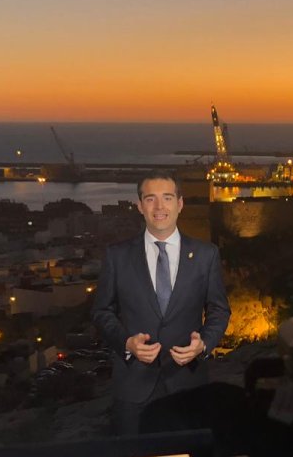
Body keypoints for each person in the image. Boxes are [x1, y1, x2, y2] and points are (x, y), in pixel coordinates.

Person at [92, 172, 231, 435]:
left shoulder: (206, 254)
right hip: (133, 388)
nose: (159, 207)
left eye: (167, 198)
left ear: (180, 204)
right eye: (150, 199)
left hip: (188, 384)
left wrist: (203, 343)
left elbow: (219, 309)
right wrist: (126, 343)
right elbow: (102, 311)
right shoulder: (116, 256)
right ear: (140, 205)